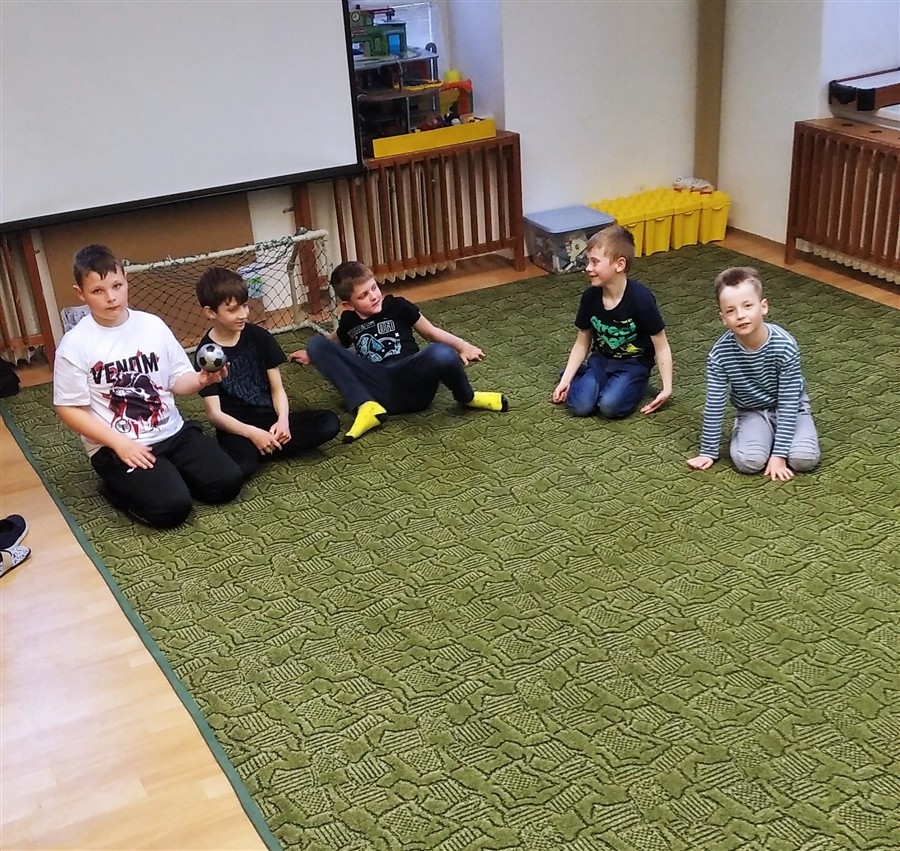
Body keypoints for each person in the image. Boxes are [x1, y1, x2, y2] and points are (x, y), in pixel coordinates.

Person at [53, 245, 244, 528]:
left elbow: (177, 380)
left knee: (227, 483)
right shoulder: (75, 345)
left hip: (171, 431)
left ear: (126, 280)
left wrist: (201, 380)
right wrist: (119, 444)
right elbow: (68, 409)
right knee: (172, 509)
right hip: (119, 444)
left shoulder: (152, 325)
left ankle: (166, 477)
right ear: (80, 293)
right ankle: (115, 486)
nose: (111, 297)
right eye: (98, 291)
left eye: (117, 286)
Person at [288, 261, 508, 442]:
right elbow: (333, 342)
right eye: (363, 296)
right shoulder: (348, 321)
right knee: (316, 344)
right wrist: (312, 353)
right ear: (348, 305)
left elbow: (431, 332)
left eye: (374, 288)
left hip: (412, 382)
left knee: (440, 352)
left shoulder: (397, 306)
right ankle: (365, 406)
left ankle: (467, 397)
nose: (373, 296)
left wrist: (463, 346)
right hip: (377, 389)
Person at [195, 267, 340, 478]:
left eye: (245, 305)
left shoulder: (259, 337)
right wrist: (253, 434)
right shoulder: (207, 354)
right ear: (210, 312)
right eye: (233, 310)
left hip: (270, 418)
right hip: (238, 429)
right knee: (241, 468)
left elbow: (277, 389)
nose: (244, 314)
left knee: (328, 423)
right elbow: (214, 414)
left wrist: (283, 421)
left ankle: (268, 445)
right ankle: (264, 446)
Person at [687, 266, 820, 481]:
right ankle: (750, 431)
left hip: (792, 408)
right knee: (749, 462)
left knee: (804, 460)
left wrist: (779, 455)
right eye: (731, 311)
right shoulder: (719, 354)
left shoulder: (785, 345)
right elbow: (714, 402)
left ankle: (780, 438)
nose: (740, 316)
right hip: (751, 410)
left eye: (747, 306)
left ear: (763, 306)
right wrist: (708, 451)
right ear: (723, 318)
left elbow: (788, 400)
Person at [552, 226, 673, 418]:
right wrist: (565, 380)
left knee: (609, 406)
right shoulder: (590, 297)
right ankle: (580, 374)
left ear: (619, 264)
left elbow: (661, 345)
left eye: (595, 262)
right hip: (601, 361)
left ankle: (634, 384)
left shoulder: (641, 299)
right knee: (580, 407)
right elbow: (582, 342)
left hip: (633, 365)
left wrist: (667, 388)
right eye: (588, 262)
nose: (588, 268)